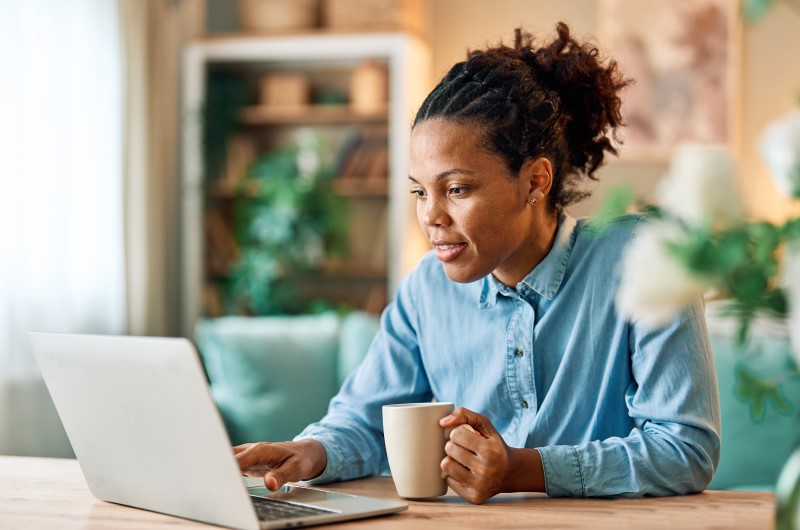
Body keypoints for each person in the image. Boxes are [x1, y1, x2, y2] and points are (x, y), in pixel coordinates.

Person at [234, 22, 721, 504]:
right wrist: (310, 451)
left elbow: (686, 448)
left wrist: (524, 469)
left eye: (457, 189)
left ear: (535, 181)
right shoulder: (426, 289)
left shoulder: (643, 260)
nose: (430, 216)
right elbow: (363, 422)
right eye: (420, 191)